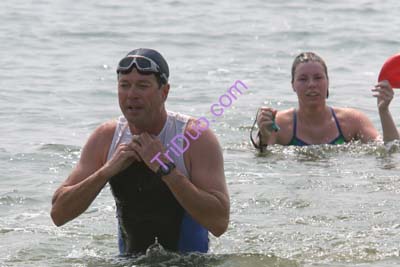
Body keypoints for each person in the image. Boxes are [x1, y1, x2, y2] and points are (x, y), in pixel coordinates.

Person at [50, 48, 230, 255]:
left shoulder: (194, 137)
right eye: (124, 86)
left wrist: (166, 169)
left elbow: (219, 222)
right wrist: (107, 170)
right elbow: (58, 214)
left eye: (142, 86)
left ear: (164, 91)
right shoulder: (106, 137)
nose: (132, 94)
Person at [251, 52, 399, 151]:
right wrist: (263, 135)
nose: (311, 84)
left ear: (328, 82)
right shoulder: (280, 125)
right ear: (293, 85)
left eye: (318, 78)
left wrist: (384, 111)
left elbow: (390, 150)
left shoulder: (353, 121)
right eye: (303, 79)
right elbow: (262, 158)